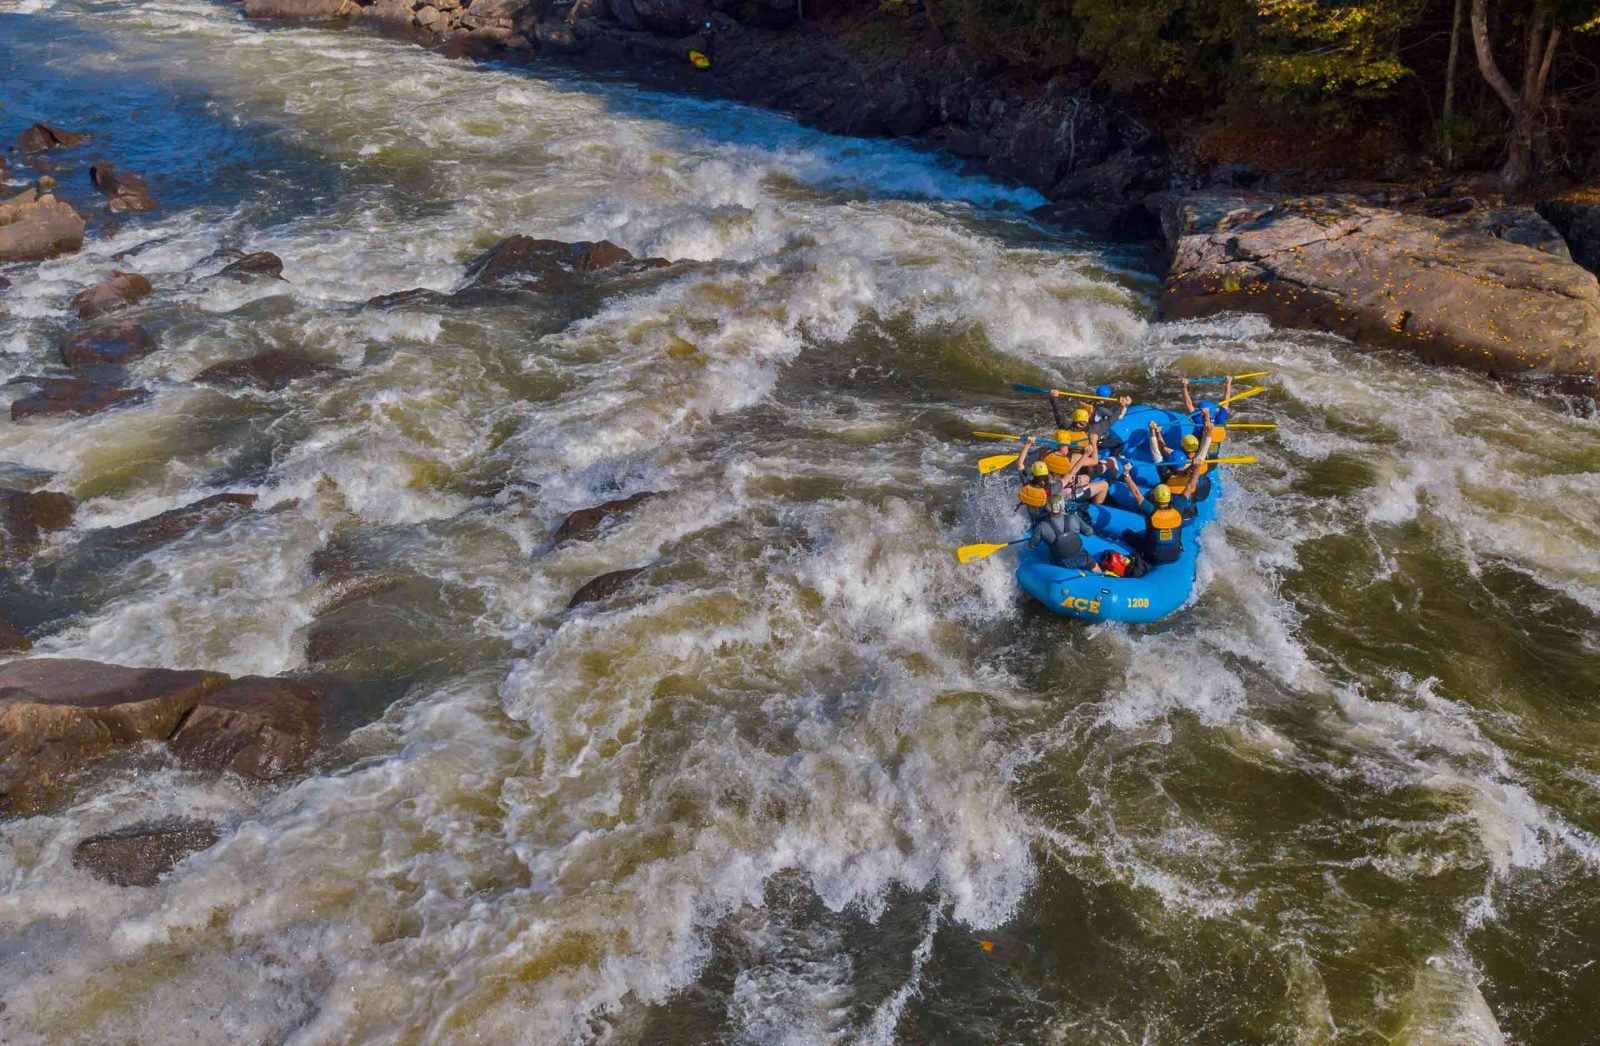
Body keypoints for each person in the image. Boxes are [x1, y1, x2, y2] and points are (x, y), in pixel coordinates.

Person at [1118, 426, 1212, 565]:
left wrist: (1126, 475)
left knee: (1127, 534)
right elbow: (1191, 485)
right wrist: (1197, 467)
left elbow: (1137, 493)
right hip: (1188, 521)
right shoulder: (1178, 503)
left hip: (1153, 556)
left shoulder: (1165, 475)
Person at [1051, 389, 1131, 455]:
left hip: (1069, 451)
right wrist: (1122, 406)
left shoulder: (1065, 425)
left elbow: (1058, 414)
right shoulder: (1094, 429)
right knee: (1119, 444)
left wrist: (1053, 398)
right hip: (1084, 454)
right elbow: (1111, 420)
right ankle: (1114, 457)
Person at [1029, 510, 1101, 571]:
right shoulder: (1074, 518)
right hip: (1080, 556)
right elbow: (1089, 533)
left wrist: (1041, 536)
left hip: (1059, 561)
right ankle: (1100, 576)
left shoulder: (1041, 526)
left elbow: (1032, 545)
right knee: (1093, 565)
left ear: (1048, 510)